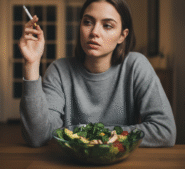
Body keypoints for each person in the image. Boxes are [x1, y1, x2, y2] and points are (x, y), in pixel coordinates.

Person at [18, 0, 176, 148]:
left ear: (123, 35)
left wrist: (90, 135)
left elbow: (165, 130)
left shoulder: (136, 66)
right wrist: (32, 63)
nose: (94, 32)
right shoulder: (59, 70)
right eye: (87, 22)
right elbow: (37, 136)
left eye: (107, 25)